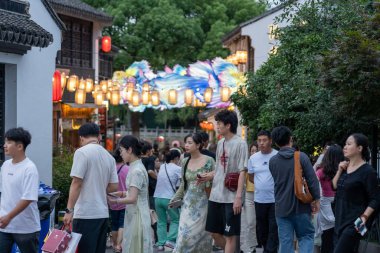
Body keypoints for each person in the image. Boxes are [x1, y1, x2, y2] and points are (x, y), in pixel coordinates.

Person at [63, 123, 118, 253]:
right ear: (98, 136)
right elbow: (114, 186)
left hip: (85, 214)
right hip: (102, 214)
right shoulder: (109, 157)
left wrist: (69, 210)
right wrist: (98, 187)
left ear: (81, 138)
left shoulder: (82, 152)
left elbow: (77, 182)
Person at [269, 126, 320, 253]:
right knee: (306, 236)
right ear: (290, 139)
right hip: (301, 206)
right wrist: (316, 199)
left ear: (275, 142)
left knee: (285, 242)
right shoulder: (301, 157)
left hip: (281, 207)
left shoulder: (273, 161)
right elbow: (312, 180)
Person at [205, 109, 249, 253]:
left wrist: (238, 197)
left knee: (230, 235)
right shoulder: (220, 143)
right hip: (216, 195)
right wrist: (207, 176)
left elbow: (243, 170)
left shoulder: (241, 144)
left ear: (228, 125)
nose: (217, 126)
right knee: (214, 233)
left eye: (219, 124)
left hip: (231, 197)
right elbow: (219, 168)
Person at [332, 133, 380, 253]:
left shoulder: (368, 172)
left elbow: (376, 198)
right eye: (345, 144)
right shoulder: (345, 168)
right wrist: (339, 170)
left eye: (349, 144)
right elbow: (334, 186)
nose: (345, 147)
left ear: (359, 148)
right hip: (339, 219)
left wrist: (364, 217)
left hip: (355, 222)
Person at [170, 133, 215, 253]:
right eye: (186, 142)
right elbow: (183, 185)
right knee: (183, 239)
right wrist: (175, 198)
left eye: (190, 143)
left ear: (198, 145)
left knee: (199, 239)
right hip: (187, 205)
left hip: (203, 204)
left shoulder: (209, 160)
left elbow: (216, 181)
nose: (186, 145)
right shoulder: (184, 161)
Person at [108, 135, 153, 253]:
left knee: (134, 247)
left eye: (121, 150)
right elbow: (134, 193)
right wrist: (122, 193)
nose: (120, 154)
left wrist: (115, 201)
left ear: (129, 150)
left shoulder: (136, 170)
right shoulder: (136, 166)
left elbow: (132, 198)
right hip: (136, 212)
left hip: (137, 214)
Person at [0, 128, 40, 252]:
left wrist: (9, 217)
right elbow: (5, 193)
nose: (4, 145)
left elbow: (28, 198)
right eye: (5, 141)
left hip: (26, 228)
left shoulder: (29, 168)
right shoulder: (5, 166)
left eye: (9, 142)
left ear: (19, 146)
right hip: (4, 227)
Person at [248, 130, 279, 253]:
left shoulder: (277, 156)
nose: (261, 143)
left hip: (275, 200)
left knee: (273, 229)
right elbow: (251, 176)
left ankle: (270, 251)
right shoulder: (253, 158)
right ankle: (267, 249)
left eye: (264, 140)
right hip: (259, 199)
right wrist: (262, 185)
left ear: (270, 141)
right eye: (259, 140)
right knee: (262, 230)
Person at [315, 145, 344, 253]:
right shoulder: (344, 171)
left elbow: (316, 191)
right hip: (340, 206)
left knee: (327, 239)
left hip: (325, 207)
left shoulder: (320, 172)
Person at [154, 150, 182, 250]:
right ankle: (170, 241)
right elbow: (182, 183)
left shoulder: (162, 166)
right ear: (176, 158)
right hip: (169, 198)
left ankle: (161, 243)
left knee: (161, 221)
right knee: (176, 219)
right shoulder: (178, 169)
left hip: (157, 197)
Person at [108, 149, 129, 253]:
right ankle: (119, 245)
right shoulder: (127, 169)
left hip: (112, 200)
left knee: (114, 224)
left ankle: (115, 244)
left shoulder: (109, 169)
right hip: (124, 200)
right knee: (122, 224)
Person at [240, 141, 258, 253]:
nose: (254, 153)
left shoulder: (264, 163)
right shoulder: (247, 164)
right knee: (250, 222)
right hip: (249, 195)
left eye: (256, 150)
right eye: (252, 151)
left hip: (262, 196)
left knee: (258, 223)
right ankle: (250, 248)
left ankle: (253, 245)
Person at [141, 141, 158, 242]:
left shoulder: (138, 159)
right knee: (153, 214)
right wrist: (158, 178)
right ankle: (157, 237)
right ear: (148, 151)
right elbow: (150, 171)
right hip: (151, 189)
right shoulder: (150, 159)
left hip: (141, 189)